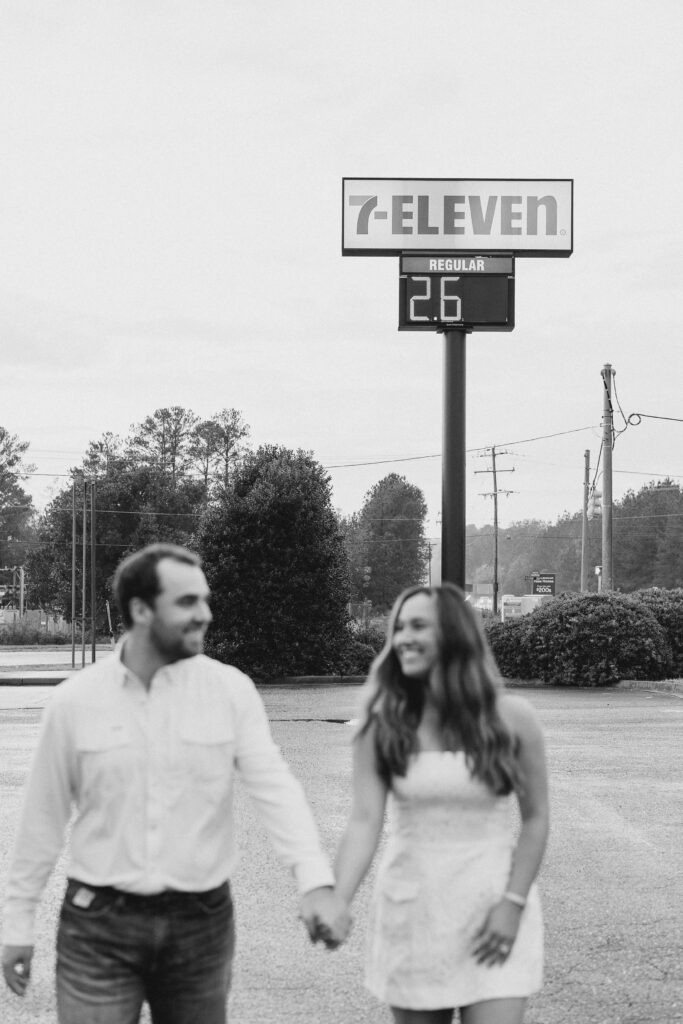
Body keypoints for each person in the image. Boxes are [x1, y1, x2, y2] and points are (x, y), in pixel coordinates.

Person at [1, 543, 347, 1023]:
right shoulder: (74, 702)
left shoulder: (229, 691)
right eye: (187, 602)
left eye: (204, 600)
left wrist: (314, 882)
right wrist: (17, 923)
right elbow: (41, 821)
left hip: (200, 925)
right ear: (141, 610)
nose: (204, 614)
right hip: (97, 926)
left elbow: (276, 791)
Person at [331, 583, 549, 1024]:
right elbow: (364, 822)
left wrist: (513, 904)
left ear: (453, 634)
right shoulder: (383, 726)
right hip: (415, 913)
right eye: (399, 628)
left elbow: (536, 819)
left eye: (418, 626)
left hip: (494, 907)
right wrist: (336, 900)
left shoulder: (513, 719)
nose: (403, 638)